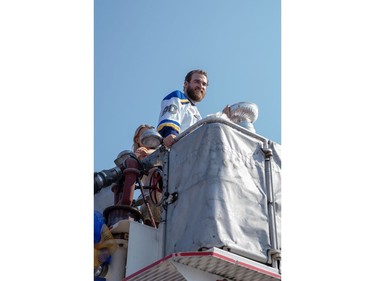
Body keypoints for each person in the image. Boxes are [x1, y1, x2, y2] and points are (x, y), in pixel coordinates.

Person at [157, 69, 209, 148]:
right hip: (176, 151)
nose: (201, 86)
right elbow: (170, 119)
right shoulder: (177, 97)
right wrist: (170, 133)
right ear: (186, 84)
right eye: (197, 82)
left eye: (204, 84)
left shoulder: (197, 113)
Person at [132, 124, 163, 227]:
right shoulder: (136, 157)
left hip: (163, 194)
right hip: (150, 197)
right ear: (137, 139)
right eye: (145, 134)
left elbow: (159, 154)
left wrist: (148, 152)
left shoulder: (161, 151)